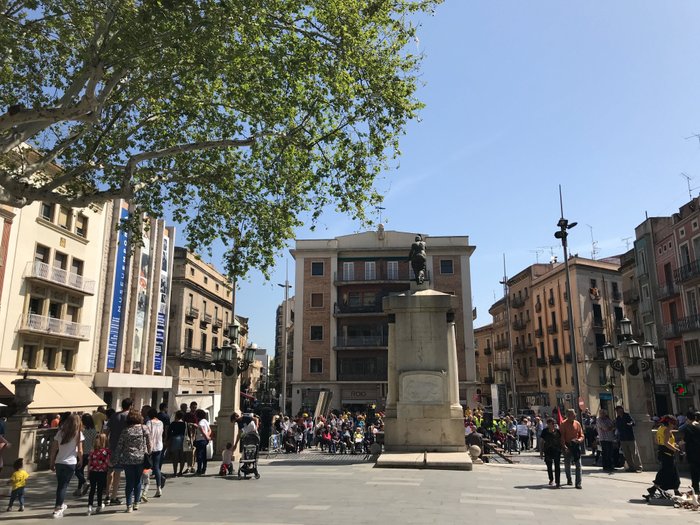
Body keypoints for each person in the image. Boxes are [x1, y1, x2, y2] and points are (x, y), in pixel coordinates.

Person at [111, 408, 152, 512]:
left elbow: (119, 446)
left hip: (127, 458)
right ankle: (136, 503)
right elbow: (149, 443)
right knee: (138, 481)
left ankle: (129, 505)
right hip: (140, 458)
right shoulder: (144, 428)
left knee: (129, 482)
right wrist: (149, 452)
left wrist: (115, 458)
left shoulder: (126, 430)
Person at [49, 413, 84, 518]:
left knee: (60, 485)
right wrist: (81, 460)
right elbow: (80, 450)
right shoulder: (78, 434)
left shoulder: (60, 432)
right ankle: (58, 507)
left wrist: (51, 462)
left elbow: (53, 449)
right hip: (70, 462)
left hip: (59, 462)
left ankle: (60, 505)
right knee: (63, 486)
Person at [646, 415, 681, 498]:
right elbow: (666, 443)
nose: (674, 425)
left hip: (662, 451)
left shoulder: (660, 429)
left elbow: (657, 441)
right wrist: (675, 449)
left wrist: (672, 445)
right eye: (673, 423)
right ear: (669, 423)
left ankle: (676, 490)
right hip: (667, 453)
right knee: (666, 471)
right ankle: (654, 488)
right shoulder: (667, 430)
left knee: (673, 472)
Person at [106, 398, 132, 506]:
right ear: (130, 405)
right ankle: (114, 496)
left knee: (110, 471)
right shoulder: (129, 417)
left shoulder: (114, 416)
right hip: (122, 448)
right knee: (118, 473)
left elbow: (107, 431)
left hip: (112, 445)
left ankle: (107, 494)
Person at [560, 408, 584, 489]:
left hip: (576, 445)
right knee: (567, 464)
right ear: (567, 416)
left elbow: (581, 435)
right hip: (567, 445)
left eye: (574, 415)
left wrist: (579, 440)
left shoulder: (577, 424)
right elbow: (562, 436)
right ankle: (569, 478)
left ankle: (578, 483)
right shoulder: (563, 424)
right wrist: (564, 446)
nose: (573, 416)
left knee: (578, 465)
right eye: (571, 415)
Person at [87, 432, 110, 516]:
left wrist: (88, 473)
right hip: (102, 472)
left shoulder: (92, 451)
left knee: (92, 490)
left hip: (93, 471)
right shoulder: (106, 451)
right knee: (99, 490)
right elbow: (108, 462)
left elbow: (89, 462)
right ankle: (99, 505)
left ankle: (90, 506)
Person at [614, 405, 642, 472]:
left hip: (630, 437)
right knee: (626, 454)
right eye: (618, 411)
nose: (620, 412)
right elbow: (617, 428)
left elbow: (633, 422)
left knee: (634, 453)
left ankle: (638, 467)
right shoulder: (617, 418)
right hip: (622, 438)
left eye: (621, 410)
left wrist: (631, 423)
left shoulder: (627, 415)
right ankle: (631, 467)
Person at [75, 413, 97, 496]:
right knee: (81, 471)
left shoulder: (82, 431)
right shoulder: (94, 431)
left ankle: (83, 483)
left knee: (77, 470)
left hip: (82, 453)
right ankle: (79, 489)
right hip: (90, 453)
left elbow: (81, 443)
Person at [145, 407, 164, 497]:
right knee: (156, 467)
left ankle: (146, 486)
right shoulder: (161, 422)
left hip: (151, 447)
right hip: (159, 445)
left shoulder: (149, 422)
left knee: (147, 466)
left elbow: (147, 434)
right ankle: (159, 487)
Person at [541, 418, 562, 488]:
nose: (552, 425)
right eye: (550, 424)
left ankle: (558, 482)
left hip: (556, 450)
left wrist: (563, 448)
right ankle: (551, 479)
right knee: (549, 466)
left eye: (553, 423)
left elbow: (561, 440)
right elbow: (541, 441)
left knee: (557, 466)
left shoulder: (558, 431)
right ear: (548, 424)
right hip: (548, 450)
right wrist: (541, 452)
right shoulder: (544, 431)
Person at [682, 411, 700, 493]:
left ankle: (695, 488)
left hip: (693, 452)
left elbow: (686, 439)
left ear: (688, 418)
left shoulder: (689, 427)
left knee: (694, 471)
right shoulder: (698, 426)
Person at [167, 411, 188, 476]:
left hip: (175, 439)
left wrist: (167, 440)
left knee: (175, 457)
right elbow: (188, 433)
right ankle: (180, 471)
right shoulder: (185, 423)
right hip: (183, 439)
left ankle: (175, 472)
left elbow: (169, 432)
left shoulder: (173, 423)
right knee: (182, 457)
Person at [193, 409, 212, 475]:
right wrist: (207, 436)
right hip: (204, 440)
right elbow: (209, 430)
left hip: (200, 440)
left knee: (199, 455)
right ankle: (204, 468)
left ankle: (199, 469)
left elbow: (202, 431)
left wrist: (206, 437)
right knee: (204, 455)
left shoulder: (200, 423)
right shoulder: (205, 421)